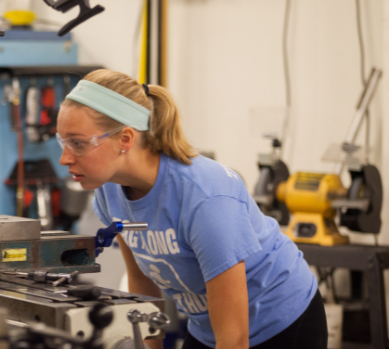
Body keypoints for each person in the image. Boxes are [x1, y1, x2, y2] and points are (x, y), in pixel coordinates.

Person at [58, 70, 323, 349]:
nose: (65, 158)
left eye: (78, 143)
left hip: (279, 319)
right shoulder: (110, 189)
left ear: (125, 139)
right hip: (207, 324)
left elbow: (233, 338)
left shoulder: (204, 197)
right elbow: (139, 278)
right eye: (62, 142)